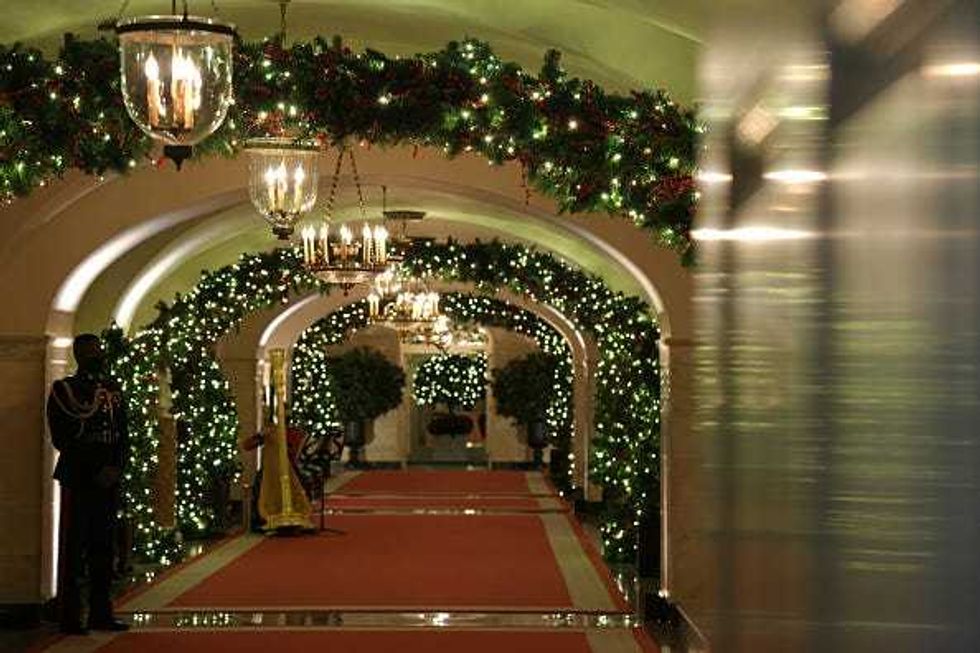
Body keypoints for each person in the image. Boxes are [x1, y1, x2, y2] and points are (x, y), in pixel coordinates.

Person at [46, 334, 130, 635]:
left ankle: (100, 613)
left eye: (99, 350)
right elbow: (63, 439)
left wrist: (116, 468)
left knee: (103, 549)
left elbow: (122, 433)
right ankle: (70, 616)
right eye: (91, 351)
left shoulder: (111, 389)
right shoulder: (64, 391)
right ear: (79, 355)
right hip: (79, 479)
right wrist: (96, 470)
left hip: (107, 480)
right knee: (74, 549)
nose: (98, 356)